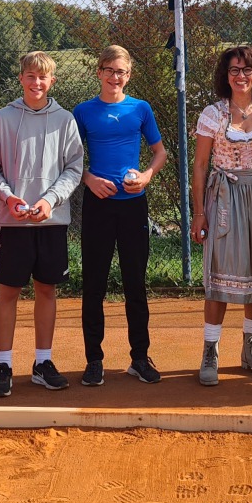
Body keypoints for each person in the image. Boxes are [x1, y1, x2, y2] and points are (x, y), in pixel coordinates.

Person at [0, 50, 85, 396]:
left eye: (43, 77)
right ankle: (3, 365)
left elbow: (74, 168)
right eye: (30, 76)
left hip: (52, 222)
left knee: (46, 290)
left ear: (52, 81)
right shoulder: (3, 118)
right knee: (8, 292)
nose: (36, 82)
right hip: (12, 224)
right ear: (21, 79)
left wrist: (49, 201)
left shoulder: (65, 120)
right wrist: (9, 197)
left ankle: (43, 362)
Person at [190, 45, 252, 385]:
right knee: (220, 272)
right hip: (225, 196)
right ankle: (210, 350)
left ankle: (251, 346)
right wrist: (199, 212)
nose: (241, 75)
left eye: (247, 69)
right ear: (226, 75)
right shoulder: (213, 114)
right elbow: (200, 165)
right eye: (234, 69)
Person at [73, 45, 170, 387]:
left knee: (135, 283)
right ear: (99, 72)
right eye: (109, 70)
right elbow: (69, 158)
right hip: (98, 204)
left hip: (133, 205)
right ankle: (94, 361)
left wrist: (146, 176)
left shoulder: (140, 108)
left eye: (121, 72)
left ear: (128, 76)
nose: (115, 77)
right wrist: (89, 179)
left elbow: (160, 152)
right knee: (94, 284)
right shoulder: (83, 111)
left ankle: (139, 358)